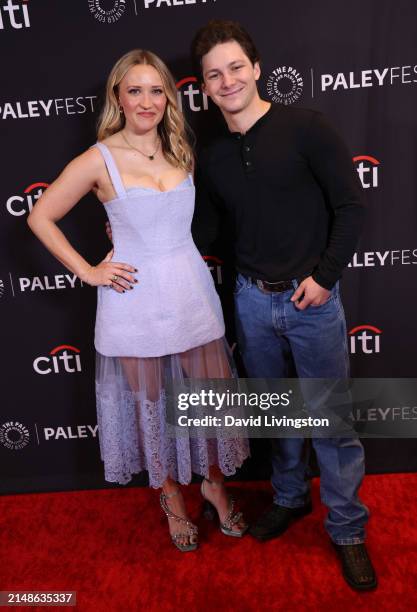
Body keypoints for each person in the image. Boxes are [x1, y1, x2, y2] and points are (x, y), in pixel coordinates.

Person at [27, 49, 249, 552]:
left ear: (167, 96)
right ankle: (171, 497)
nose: (146, 101)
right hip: (134, 307)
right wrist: (88, 270)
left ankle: (214, 486)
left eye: (156, 90)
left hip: (193, 299)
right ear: (118, 97)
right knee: (153, 408)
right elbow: (40, 216)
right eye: (135, 90)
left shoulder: (181, 147)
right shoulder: (98, 158)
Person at [190, 20, 377, 589]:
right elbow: (209, 229)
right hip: (250, 301)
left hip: (313, 301)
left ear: (257, 68)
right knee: (280, 417)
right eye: (214, 74)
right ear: (202, 85)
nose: (227, 82)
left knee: (332, 423)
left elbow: (350, 207)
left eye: (236, 68)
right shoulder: (214, 153)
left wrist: (323, 279)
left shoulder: (306, 128)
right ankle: (291, 498)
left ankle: (347, 530)